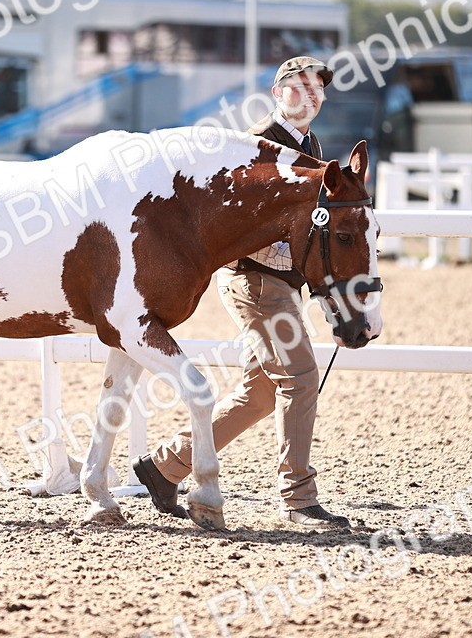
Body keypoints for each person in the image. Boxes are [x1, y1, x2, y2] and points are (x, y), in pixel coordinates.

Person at [131, 56, 351, 529]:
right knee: (300, 377)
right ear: (277, 93)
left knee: (258, 395)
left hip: (283, 283)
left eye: (319, 88)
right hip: (254, 279)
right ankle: (298, 496)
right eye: (300, 86)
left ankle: (166, 466)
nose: (311, 95)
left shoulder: (308, 144)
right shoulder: (257, 146)